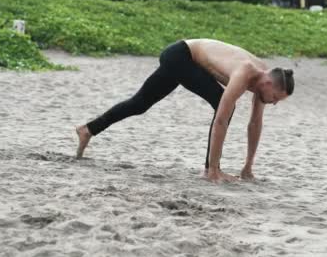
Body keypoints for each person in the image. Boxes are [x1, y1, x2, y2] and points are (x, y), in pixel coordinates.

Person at [75, 39, 295, 183]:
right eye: (275, 98)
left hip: (187, 61)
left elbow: (255, 124)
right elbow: (221, 119)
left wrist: (247, 167)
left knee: (139, 104)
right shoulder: (245, 72)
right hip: (181, 56)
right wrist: (215, 169)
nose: (273, 103)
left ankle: (88, 129)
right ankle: (211, 170)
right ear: (268, 83)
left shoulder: (264, 80)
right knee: (223, 103)